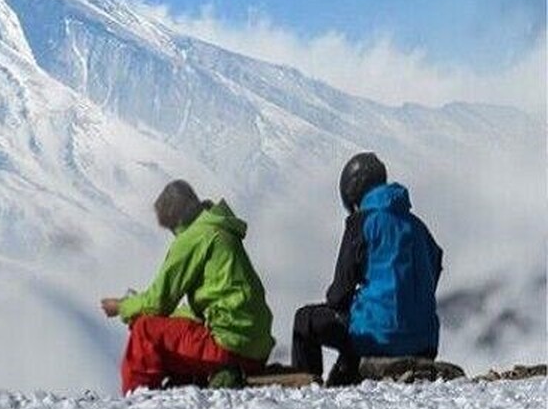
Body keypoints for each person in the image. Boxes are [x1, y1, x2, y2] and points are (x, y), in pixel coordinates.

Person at [101, 180, 275, 392]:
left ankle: (135, 405)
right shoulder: (218, 228)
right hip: (254, 346)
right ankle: (208, 376)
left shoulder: (194, 237)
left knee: (144, 330)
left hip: (228, 345)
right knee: (171, 323)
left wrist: (123, 306)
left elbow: (158, 302)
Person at [291, 152, 443, 386]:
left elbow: (339, 294)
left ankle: (306, 392)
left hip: (378, 337)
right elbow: (434, 268)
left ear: (352, 189)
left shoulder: (363, 222)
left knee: (305, 319)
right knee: (359, 326)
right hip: (426, 342)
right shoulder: (418, 226)